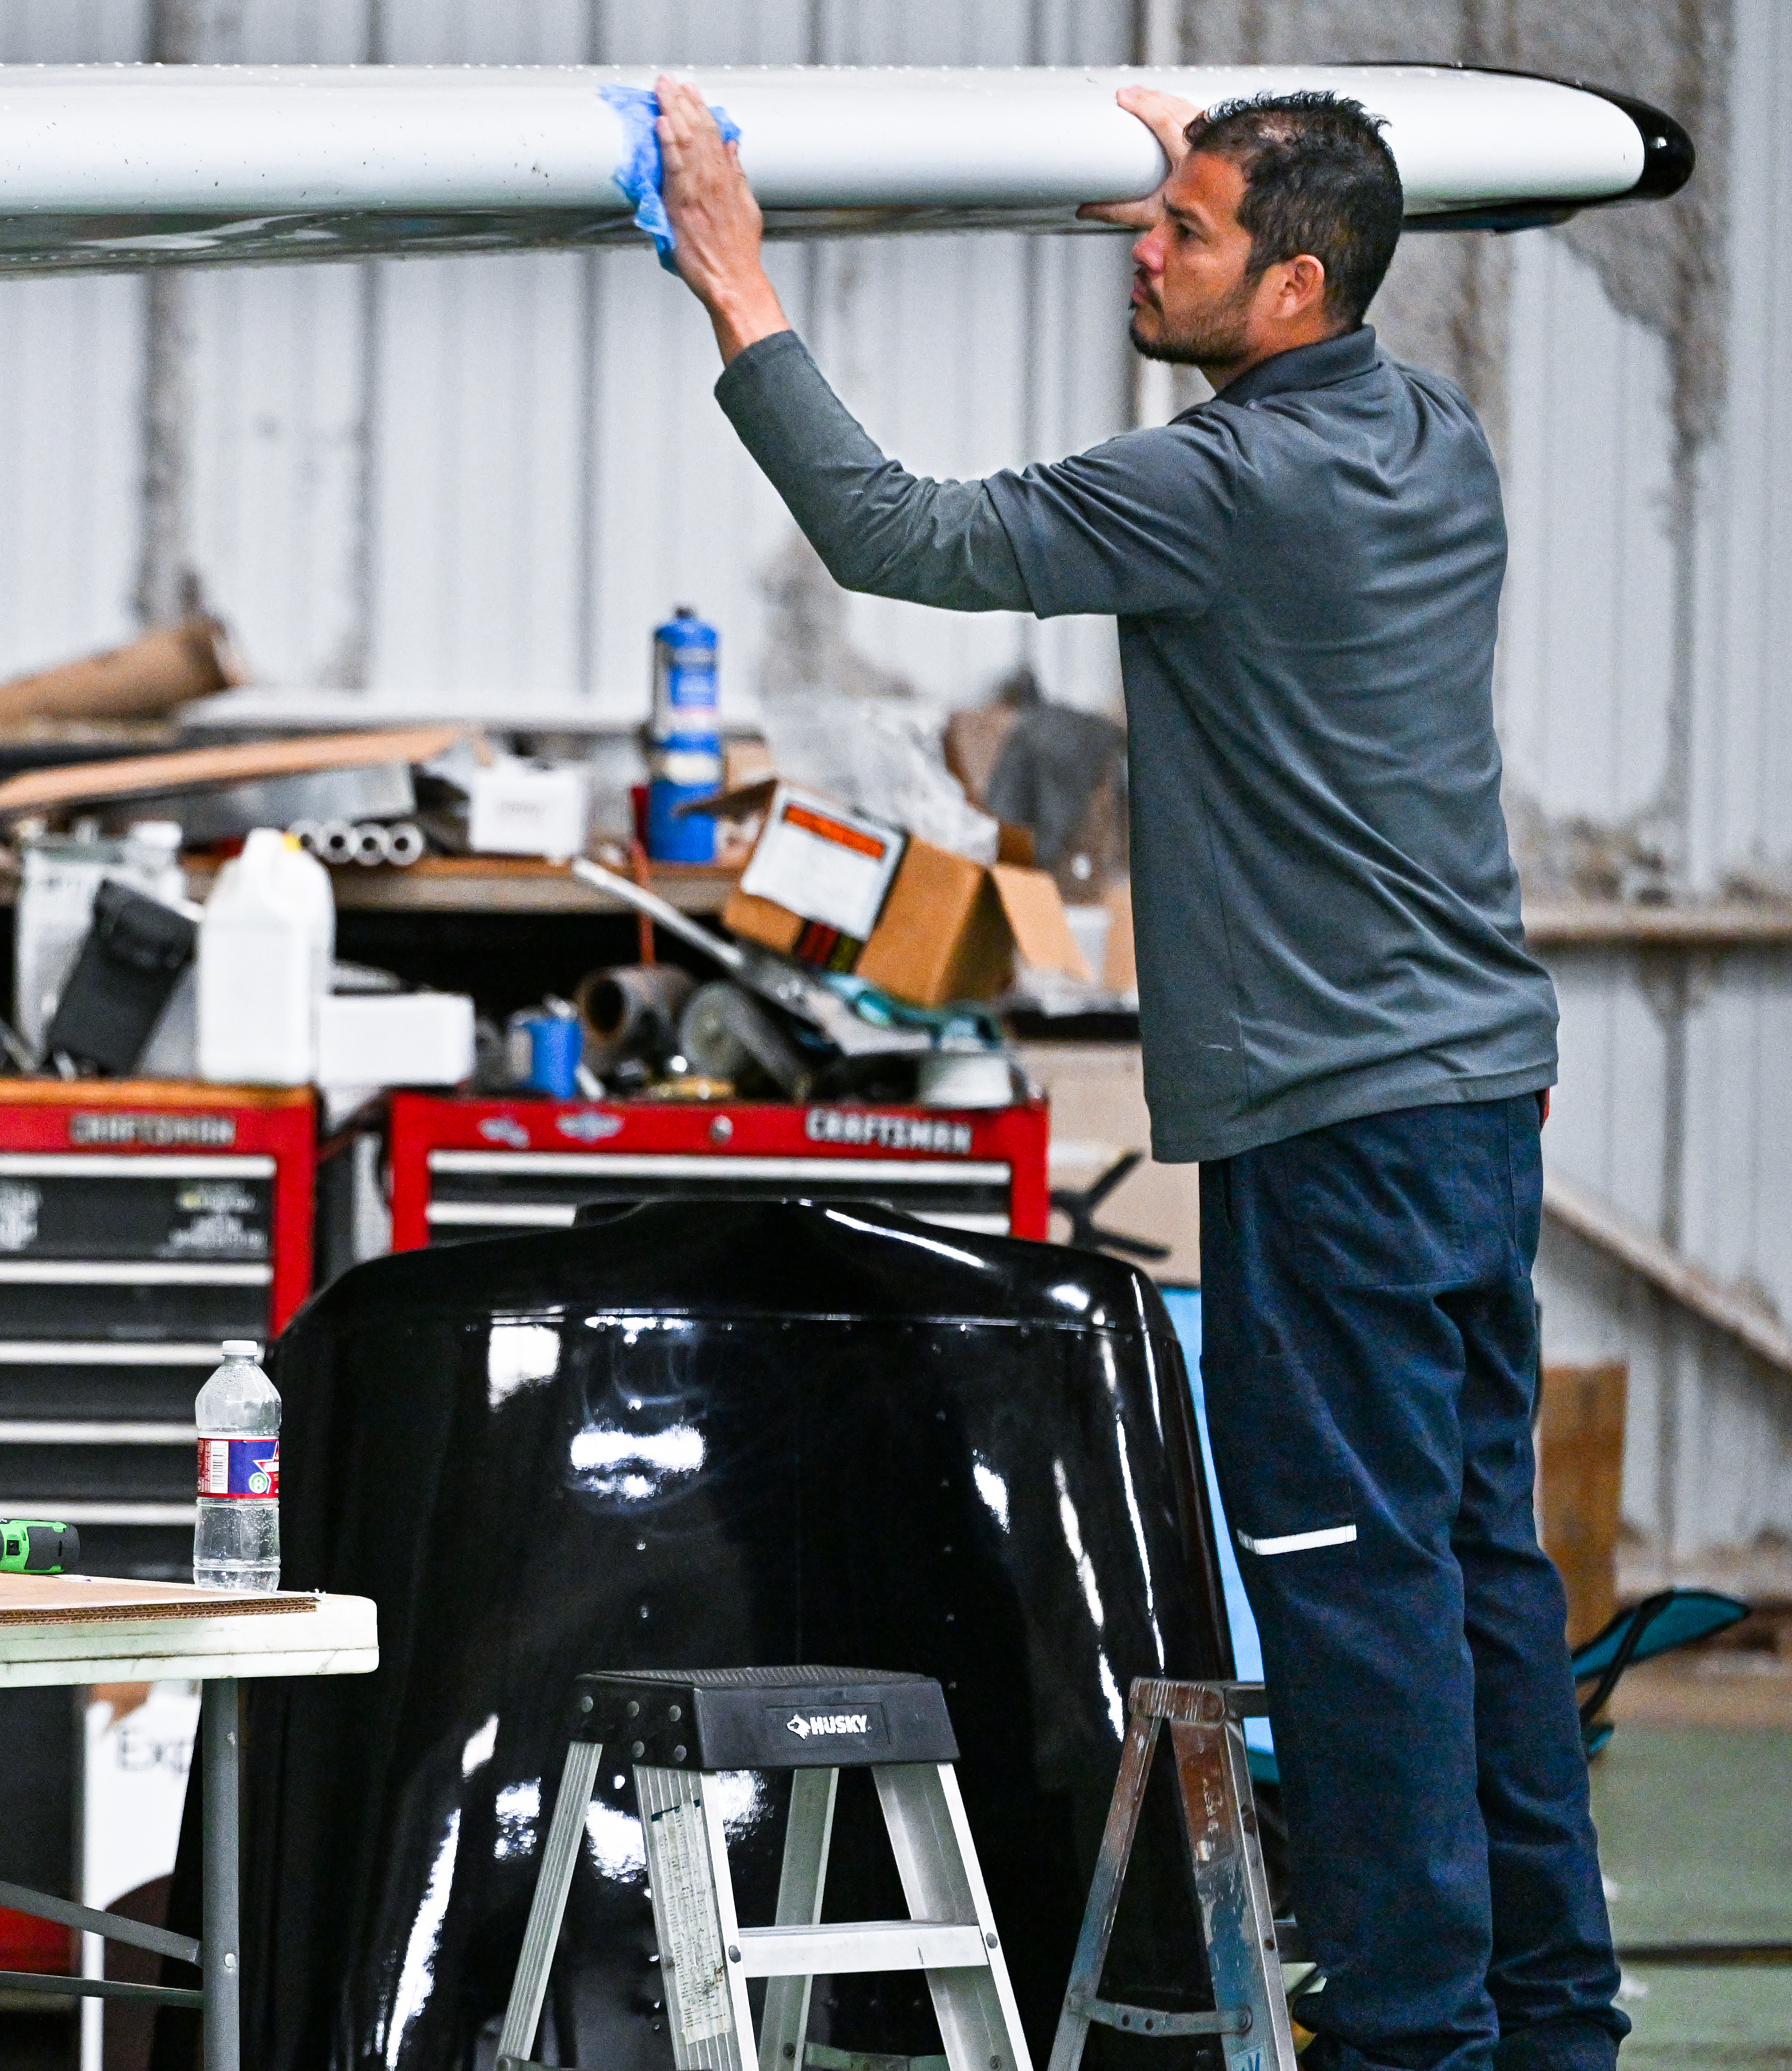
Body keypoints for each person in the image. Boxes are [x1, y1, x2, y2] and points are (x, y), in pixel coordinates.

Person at [644, 75, 1622, 2071]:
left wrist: (736, 283)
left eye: (1183, 234)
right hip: (1470, 1094)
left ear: (1293, 284)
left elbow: (895, 533)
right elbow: (1300, 250)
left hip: (1334, 1123)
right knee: (1478, 1577)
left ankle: (1412, 2045)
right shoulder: (1430, 435)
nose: (1143, 251)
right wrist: (1225, 162)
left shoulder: (1220, 490)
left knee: (1347, 1596)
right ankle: (1549, 2026)